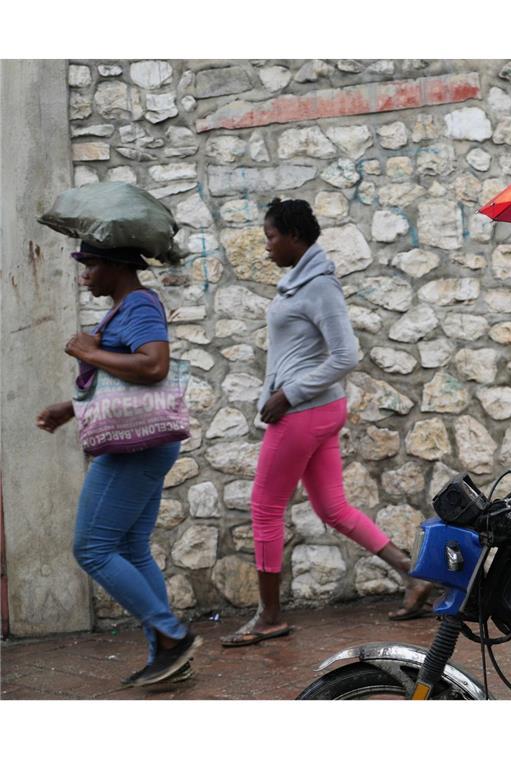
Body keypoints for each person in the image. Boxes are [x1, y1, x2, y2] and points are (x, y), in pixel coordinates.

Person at [222, 198, 432, 647]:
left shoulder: (319, 286)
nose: (266, 247)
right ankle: (413, 575)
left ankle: (269, 617)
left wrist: (288, 395)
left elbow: (345, 355)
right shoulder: (298, 283)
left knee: (264, 508)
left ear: (294, 236)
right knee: (332, 508)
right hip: (314, 410)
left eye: (271, 237)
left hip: (304, 412)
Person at [36, 241, 200, 687]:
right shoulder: (122, 309)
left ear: (115, 265)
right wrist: (70, 407)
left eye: (90, 264)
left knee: (91, 548)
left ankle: (172, 636)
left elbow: (153, 366)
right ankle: (169, 659)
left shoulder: (139, 305)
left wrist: (87, 352)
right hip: (142, 444)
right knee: (130, 549)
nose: (84, 274)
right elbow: (122, 384)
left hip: (135, 448)